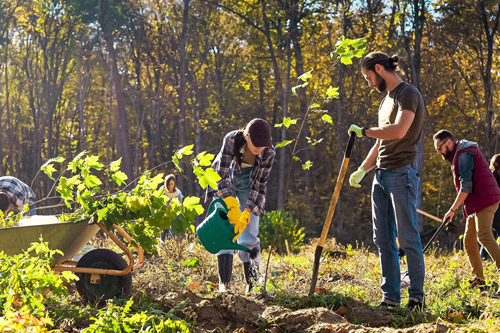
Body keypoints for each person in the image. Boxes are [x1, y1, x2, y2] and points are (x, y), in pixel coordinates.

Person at [347, 52, 426, 310]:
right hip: (380, 176)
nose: (369, 83)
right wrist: (362, 169)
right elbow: (382, 141)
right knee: (382, 239)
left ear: (379, 69)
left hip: (402, 173)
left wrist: (364, 131)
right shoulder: (385, 102)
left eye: (369, 77)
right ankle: (390, 297)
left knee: (408, 237)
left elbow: (399, 131)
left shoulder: (407, 94)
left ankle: (415, 298)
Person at [207, 118, 275, 292]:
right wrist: (230, 203)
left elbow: (260, 186)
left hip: (249, 184)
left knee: (250, 233)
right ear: (246, 136)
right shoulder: (231, 140)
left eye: (263, 145)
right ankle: (224, 285)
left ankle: (253, 286)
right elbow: (220, 176)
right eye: (256, 144)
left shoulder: (269, 153)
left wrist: (246, 211)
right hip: (227, 180)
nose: (260, 148)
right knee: (225, 229)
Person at [433, 131, 500, 289]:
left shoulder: (463, 155)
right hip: (477, 202)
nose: (438, 152)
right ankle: (479, 281)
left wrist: (452, 209)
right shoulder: (459, 154)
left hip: (485, 200)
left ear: (449, 143)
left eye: (439, 148)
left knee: (484, 236)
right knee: (469, 241)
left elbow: (465, 187)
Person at [480, 153, 500, 260]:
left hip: (496, 207)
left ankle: (485, 259)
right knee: (488, 235)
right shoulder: (493, 175)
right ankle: (484, 258)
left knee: (490, 235)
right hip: (492, 208)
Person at [161, 174, 184, 241]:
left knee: (171, 234)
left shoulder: (178, 194)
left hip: (174, 216)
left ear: (174, 184)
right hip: (164, 216)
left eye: (172, 184)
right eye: (168, 184)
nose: (170, 186)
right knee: (163, 234)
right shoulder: (162, 191)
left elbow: (180, 206)